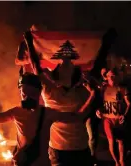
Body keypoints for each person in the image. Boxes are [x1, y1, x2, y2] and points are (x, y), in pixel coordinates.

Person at [0, 71, 94, 166]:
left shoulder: (48, 113)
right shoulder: (17, 112)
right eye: (23, 93)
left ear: (39, 93)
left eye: (31, 94)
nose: (26, 97)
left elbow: (78, 117)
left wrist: (93, 94)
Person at [24, 30, 96, 166]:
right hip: (78, 147)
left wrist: (29, 42)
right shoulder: (83, 92)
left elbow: (36, 67)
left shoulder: (49, 91)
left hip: (59, 149)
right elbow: (97, 67)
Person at [96, 68, 131, 166]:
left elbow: (129, 104)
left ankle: (121, 161)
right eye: (109, 76)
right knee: (111, 142)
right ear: (106, 78)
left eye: (113, 76)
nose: (111, 78)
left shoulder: (122, 88)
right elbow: (99, 102)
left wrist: (125, 115)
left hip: (118, 118)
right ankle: (116, 162)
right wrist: (98, 110)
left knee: (121, 142)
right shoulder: (103, 88)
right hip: (107, 119)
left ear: (116, 77)